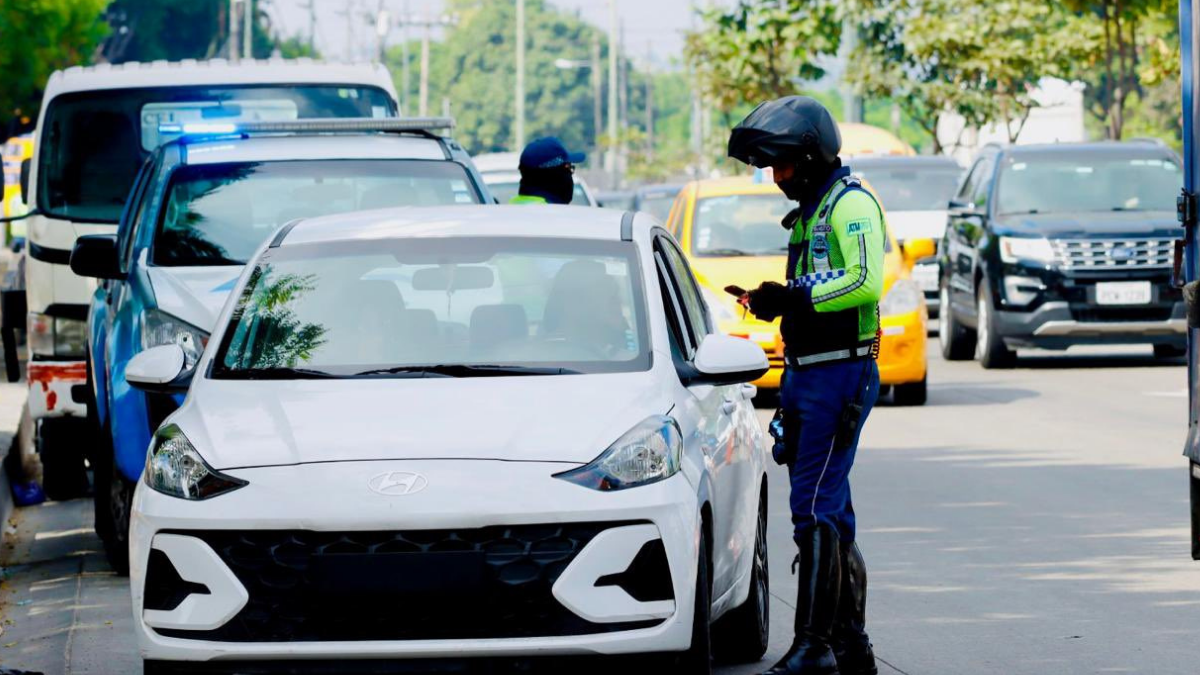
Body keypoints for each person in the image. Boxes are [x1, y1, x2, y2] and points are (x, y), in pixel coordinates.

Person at [728, 96, 885, 675]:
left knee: (813, 508)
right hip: (807, 373)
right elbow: (817, 287)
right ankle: (850, 645)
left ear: (812, 156)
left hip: (839, 374)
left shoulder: (852, 205)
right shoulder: (815, 210)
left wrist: (791, 296)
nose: (776, 178)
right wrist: (772, 302)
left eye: (783, 165)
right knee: (834, 512)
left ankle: (815, 647)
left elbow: (866, 282)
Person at [509, 137, 584, 205]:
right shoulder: (555, 216)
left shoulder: (509, 209)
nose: (570, 173)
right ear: (555, 175)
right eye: (568, 167)